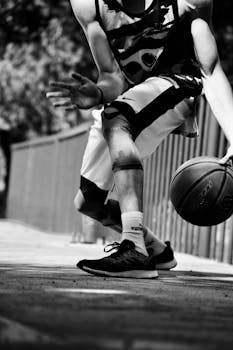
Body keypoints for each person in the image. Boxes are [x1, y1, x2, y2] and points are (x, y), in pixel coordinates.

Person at [47, 0, 233, 279]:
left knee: (116, 117)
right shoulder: (88, 4)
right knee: (88, 203)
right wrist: (97, 93)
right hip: (132, 96)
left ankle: (134, 248)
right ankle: (157, 251)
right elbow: (112, 78)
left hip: (180, 81)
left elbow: (210, 69)